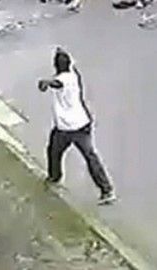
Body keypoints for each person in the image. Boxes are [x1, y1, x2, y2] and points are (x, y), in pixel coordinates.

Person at [38, 48, 116, 206]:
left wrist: (46, 82)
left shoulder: (63, 80)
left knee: (54, 151)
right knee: (89, 156)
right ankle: (106, 189)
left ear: (56, 66)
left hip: (66, 128)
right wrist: (62, 52)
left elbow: (57, 83)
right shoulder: (74, 75)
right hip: (82, 124)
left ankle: (54, 177)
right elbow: (67, 68)